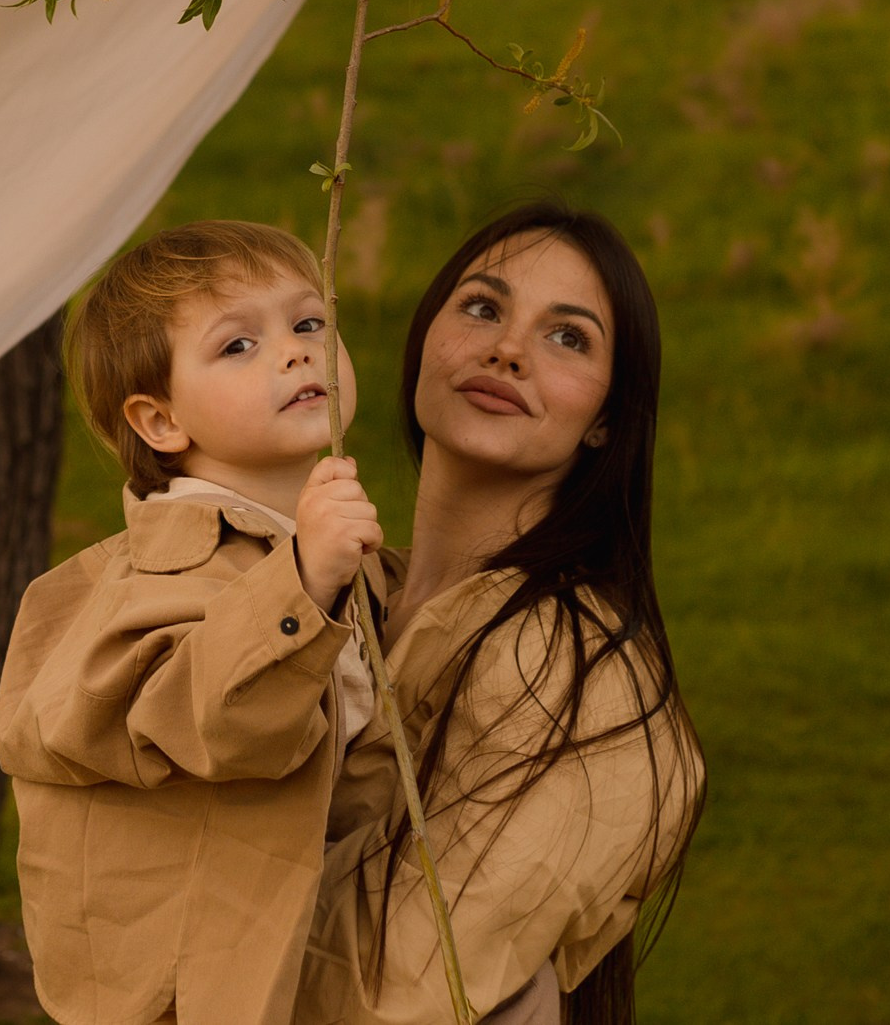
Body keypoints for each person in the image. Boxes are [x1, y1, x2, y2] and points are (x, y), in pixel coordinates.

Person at [298, 203, 704, 1025]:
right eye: (482, 307)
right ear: (423, 346)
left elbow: (409, 982)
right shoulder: (327, 595)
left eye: (569, 337)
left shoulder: (587, 676)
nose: (507, 348)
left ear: (606, 423)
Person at [0, 220, 387, 1025]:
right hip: (183, 994)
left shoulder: (331, 548)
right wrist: (306, 582)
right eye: (238, 345)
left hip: (305, 956)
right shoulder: (161, 573)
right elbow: (216, 719)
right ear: (161, 422)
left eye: (309, 322)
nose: (294, 350)